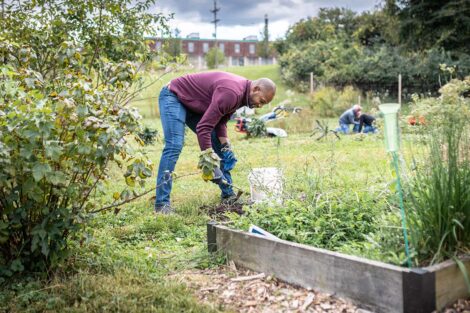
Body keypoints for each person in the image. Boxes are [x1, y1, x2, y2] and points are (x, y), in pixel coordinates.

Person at [155, 72, 276, 214]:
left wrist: (225, 145)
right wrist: (210, 162)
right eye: (261, 101)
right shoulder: (232, 92)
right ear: (256, 89)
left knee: (219, 143)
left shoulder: (242, 94)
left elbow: (221, 120)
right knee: (174, 144)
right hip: (174, 95)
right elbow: (203, 128)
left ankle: (228, 195)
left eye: (264, 104)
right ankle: (162, 204)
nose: (260, 106)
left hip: (193, 103)